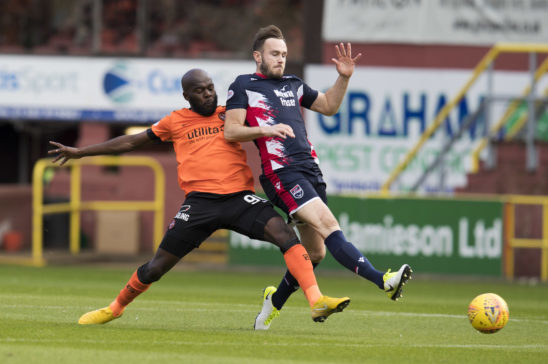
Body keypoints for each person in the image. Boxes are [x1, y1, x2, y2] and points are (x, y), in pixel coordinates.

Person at [48, 68, 350, 327]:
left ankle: (316, 300)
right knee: (156, 266)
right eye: (200, 91)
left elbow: (275, 112)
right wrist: (81, 153)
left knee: (286, 235)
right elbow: (129, 142)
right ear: (187, 96)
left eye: (210, 88)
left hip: (239, 199)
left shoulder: (231, 115)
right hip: (199, 204)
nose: (208, 94)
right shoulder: (174, 122)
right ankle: (114, 308)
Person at [224, 25, 412, 330]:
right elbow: (231, 130)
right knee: (329, 225)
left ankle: (274, 302)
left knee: (315, 253)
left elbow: (328, 106)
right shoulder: (243, 85)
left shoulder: (293, 84)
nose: (280, 59)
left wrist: (344, 78)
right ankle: (383, 280)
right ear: (257, 56)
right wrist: (265, 129)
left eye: (284, 54)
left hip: (310, 170)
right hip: (282, 173)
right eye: (274, 54)